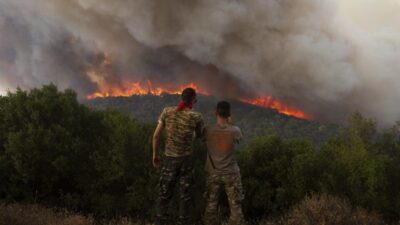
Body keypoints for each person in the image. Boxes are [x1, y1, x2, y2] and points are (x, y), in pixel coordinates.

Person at [152, 87, 204, 225]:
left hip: (169, 160)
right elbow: (198, 135)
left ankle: (160, 222)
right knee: (185, 196)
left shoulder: (167, 112)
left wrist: (155, 156)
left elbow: (156, 136)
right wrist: (189, 137)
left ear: (181, 98)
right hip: (186, 161)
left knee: (164, 195)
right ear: (193, 100)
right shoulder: (196, 116)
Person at [203, 101, 245, 225]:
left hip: (213, 173)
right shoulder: (235, 130)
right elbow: (239, 139)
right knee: (236, 206)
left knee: (211, 205)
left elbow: (198, 136)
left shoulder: (208, 130)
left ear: (216, 113)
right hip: (231, 174)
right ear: (229, 114)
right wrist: (230, 122)